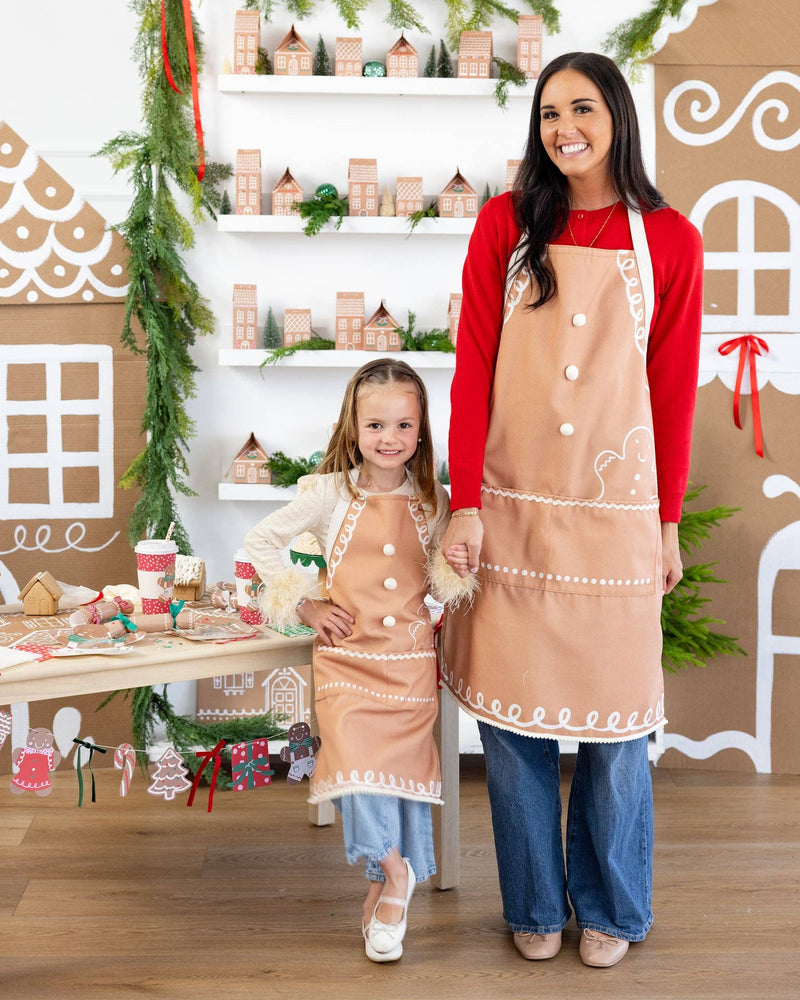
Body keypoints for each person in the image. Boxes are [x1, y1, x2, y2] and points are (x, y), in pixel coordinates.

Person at [440, 51, 703, 968]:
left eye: (582, 108)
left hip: (616, 511)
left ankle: (614, 907)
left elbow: (671, 389)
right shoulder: (504, 226)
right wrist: (463, 502)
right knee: (512, 728)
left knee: (618, 727)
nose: (564, 129)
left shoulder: (669, 239)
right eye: (550, 113)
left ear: (617, 117)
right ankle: (535, 905)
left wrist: (666, 522)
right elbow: (473, 366)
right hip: (509, 506)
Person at [244, 358, 451, 964]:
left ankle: (383, 886)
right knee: (353, 764)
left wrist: (446, 588)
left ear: (421, 430)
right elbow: (260, 543)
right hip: (348, 660)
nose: (390, 439)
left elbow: (441, 574)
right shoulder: (330, 492)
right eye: (376, 425)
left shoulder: (434, 501)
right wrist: (305, 604)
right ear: (352, 426)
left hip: (408, 663)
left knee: (396, 776)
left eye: (404, 426)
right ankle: (396, 870)